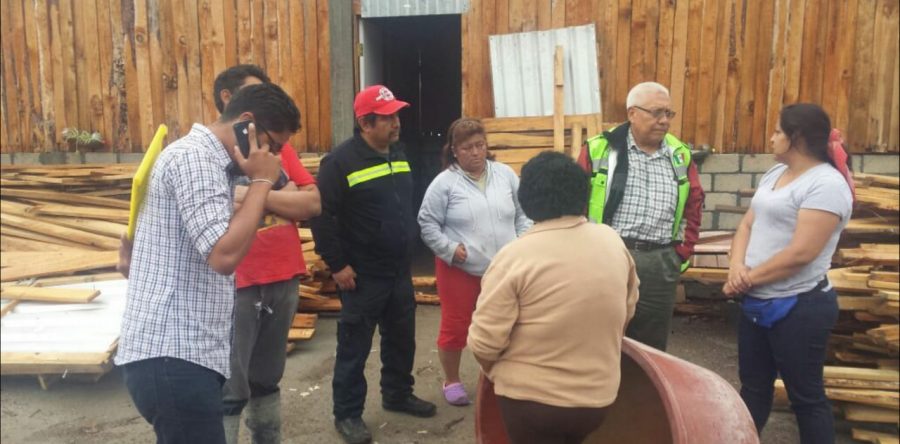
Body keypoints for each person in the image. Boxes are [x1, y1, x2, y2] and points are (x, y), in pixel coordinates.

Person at [115, 83, 301, 443]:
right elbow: (224, 255)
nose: (275, 157)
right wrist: (262, 182)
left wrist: (259, 184)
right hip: (173, 357)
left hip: (184, 355)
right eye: (273, 145)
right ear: (247, 124)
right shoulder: (195, 159)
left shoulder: (218, 165)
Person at [468, 151, 639, 444]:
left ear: (526, 200)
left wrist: (495, 372)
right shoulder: (612, 241)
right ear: (582, 193)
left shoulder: (514, 256)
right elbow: (628, 310)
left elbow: (484, 342)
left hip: (530, 404)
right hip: (597, 402)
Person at [310, 85, 436, 444]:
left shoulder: (398, 153)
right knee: (354, 348)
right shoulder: (340, 163)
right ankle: (347, 414)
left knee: (402, 340)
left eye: (397, 115)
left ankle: (397, 394)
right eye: (388, 118)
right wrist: (337, 265)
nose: (396, 123)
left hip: (398, 270)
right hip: (361, 275)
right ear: (365, 123)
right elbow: (321, 216)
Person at [723, 103, 853, 444]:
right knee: (753, 388)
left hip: (800, 306)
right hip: (756, 301)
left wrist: (746, 278)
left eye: (777, 131)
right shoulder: (774, 174)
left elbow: (802, 253)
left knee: (805, 397)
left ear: (795, 137)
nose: (771, 138)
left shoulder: (826, 185)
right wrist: (737, 266)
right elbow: (747, 224)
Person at [215, 66, 322, 444]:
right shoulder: (209, 155)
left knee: (267, 378)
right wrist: (280, 193)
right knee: (230, 384)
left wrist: (253, 196)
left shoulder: (279, 147)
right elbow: (217, 214)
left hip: (282, 275)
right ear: (234, 104)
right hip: (236, 283)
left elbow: (311, 202)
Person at [577, 81, 704, 351]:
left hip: (659, 262)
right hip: (607, 257)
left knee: (651, 348)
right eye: (656, 113)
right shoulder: (600, 149)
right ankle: (603, 393)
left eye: (668, 114)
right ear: (632, 113)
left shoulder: (679, 155)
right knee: (599, 338)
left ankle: (643, 394)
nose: (664, 121)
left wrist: (681, 252)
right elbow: (575, 204)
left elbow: (694, 205)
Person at [417, 117, 531, 406]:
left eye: (480, 145)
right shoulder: (444, 183)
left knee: (506, 323)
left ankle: (499, 376)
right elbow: (427, 222)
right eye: (467, 147)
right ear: (454, 150)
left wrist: (521, 241)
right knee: (456, 325)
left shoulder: (505, 174)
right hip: (460, 268)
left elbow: (523, 213)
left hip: (504, 267)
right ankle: (452, 379)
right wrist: (449, 248)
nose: (475, 152)